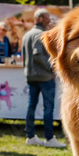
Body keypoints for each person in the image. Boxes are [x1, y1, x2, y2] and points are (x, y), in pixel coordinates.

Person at [22, 8, 66, 148]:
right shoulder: (40, 34)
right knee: (48, 107)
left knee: (31, 106)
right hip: (44, 76)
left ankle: (30, 136)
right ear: (40, 19)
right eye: (47, 18)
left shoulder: (27, 34)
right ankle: (49, 137)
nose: (49, 20)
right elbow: (37, 54)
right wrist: (53, 67)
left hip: (31, 75)